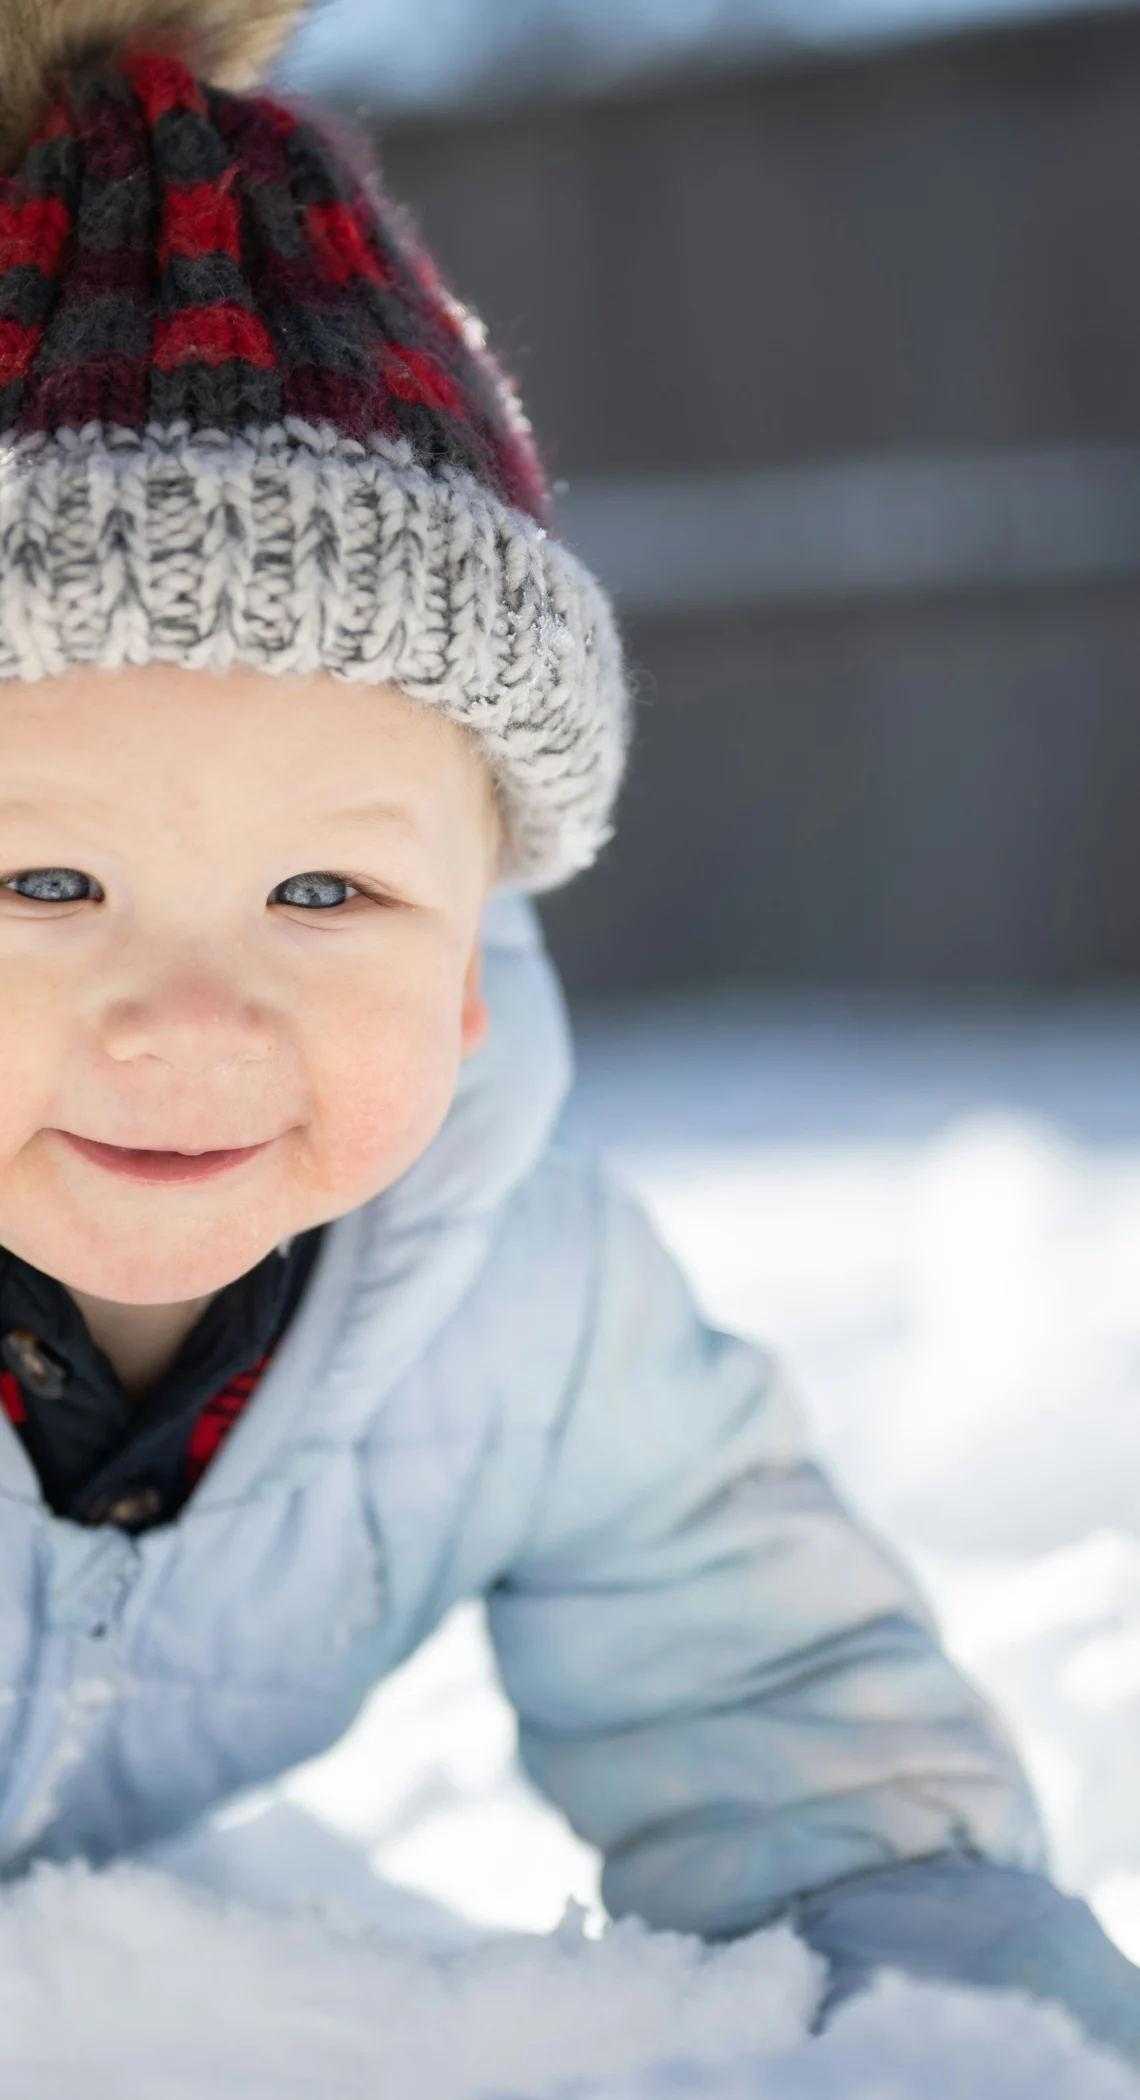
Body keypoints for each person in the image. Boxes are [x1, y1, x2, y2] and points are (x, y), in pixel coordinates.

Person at [0, 0, 1136, 2064]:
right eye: (42, 885)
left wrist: (941, 1988)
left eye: (325, 893)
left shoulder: (522, 1305)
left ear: (470, 948)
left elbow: (756, 1666)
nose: (189, 1015)